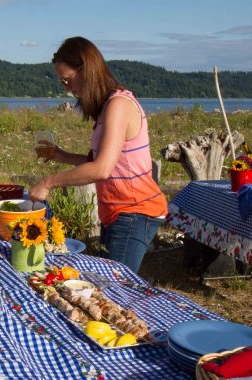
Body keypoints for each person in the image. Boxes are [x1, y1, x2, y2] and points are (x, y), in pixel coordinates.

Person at [29, 36, 167, 273]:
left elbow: (101, 169)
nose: (67, 88)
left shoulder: (119, 105)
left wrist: (48, 182)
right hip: (118, 213)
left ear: (87, 69)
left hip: (134, 212)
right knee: (110, 285)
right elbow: (104, 163)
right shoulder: (106, 107)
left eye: (67, 80)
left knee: (116, 289)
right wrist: (61, 155)